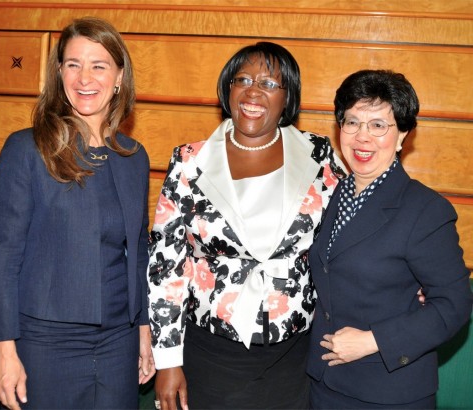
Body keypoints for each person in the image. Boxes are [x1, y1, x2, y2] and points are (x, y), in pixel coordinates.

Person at [147, 41, 347, 410]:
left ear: (288, 98)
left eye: (270, 83)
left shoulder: (320, 156)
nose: (254, 91)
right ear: (228, 88)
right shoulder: (189, 162)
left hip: (294, 356)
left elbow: (355, 231)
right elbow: (167, 266)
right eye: (243, 79)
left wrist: (403, 280)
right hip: (210, 353)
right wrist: (168, 360)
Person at [0, 17, 155, 410]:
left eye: (99, 65)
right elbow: (2, 255)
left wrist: (144, 330)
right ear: (59, 72)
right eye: (73, 64)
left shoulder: (133, 156)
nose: (85, 77)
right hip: (45, 344)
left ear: (119, 77)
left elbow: (138, 252)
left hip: (120, 341)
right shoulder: (26, 149)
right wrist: (3, 350)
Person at [306, 69, 473, 409]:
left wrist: (373, 341)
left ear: (402, 136)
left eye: (378, 125)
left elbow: (454, 305)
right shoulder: (331, 194)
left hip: (388, 391)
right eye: (352, 122)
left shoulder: (425, 209)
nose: (362, 137)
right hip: (322, 383)